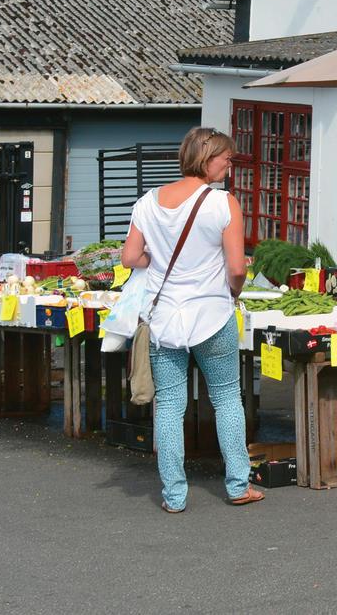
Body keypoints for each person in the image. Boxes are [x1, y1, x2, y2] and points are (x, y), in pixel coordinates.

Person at [121, 127, 260, 513]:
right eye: (226, 159)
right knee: (227, 398)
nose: (229, 166)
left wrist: (158, 260)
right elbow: (237, 268)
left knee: (169, 405)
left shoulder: (147, 203)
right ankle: (238, 485)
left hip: (165, 317)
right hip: (213, 313)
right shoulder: (223, 204)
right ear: (206, 158)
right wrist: (234, 292)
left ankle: (174, 496)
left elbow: (130, 258)